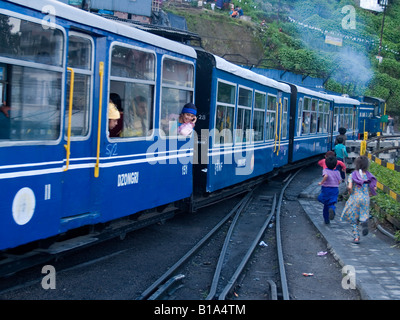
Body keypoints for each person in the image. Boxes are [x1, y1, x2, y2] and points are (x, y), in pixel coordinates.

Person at [340, 156, 377, 244]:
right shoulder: (369, 175)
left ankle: (356, 238)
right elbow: (374, 188)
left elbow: (349, 187)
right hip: (365, 198)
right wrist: (370, 194)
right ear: (367, 165)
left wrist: (350, 192)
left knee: (353, 218)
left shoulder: (353, 175)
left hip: (355, 197)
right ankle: (364, 222)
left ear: (356, 164)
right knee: (364, 214)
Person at [317, 155, 342, 224]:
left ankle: (326, 220)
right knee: (332, 203)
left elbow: (326, 176)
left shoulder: (325, 170)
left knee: (323, 201)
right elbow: (339, 181)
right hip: (335, 190)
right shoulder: (337, 172)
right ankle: (332, 209)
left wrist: (321, 182)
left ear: (326, 164)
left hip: (326, 189)